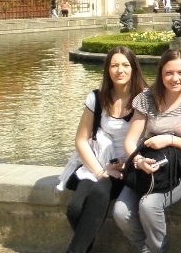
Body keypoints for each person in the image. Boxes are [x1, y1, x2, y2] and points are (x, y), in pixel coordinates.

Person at [59, 46, 148, 253]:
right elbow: (81, 140)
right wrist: (100, 171)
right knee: (74, 210)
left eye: (125, 65)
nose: (120, 70)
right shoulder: (97, 98)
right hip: (99, 165)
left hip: (128, 166)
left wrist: (128, 162)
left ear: (134, 68)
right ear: (107, 69)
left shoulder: (144, 98)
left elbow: (149, 137)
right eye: (114, 65)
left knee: (99, 193)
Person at [113, 49, 181, 253]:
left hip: (179, 170)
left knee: (149, 206)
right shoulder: (147, 98)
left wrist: (169, 140)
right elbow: (130, 141)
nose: (175, 78)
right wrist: (138, 161)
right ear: (161, 73)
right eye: (169, 73)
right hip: (147, 165)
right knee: (121, 212)